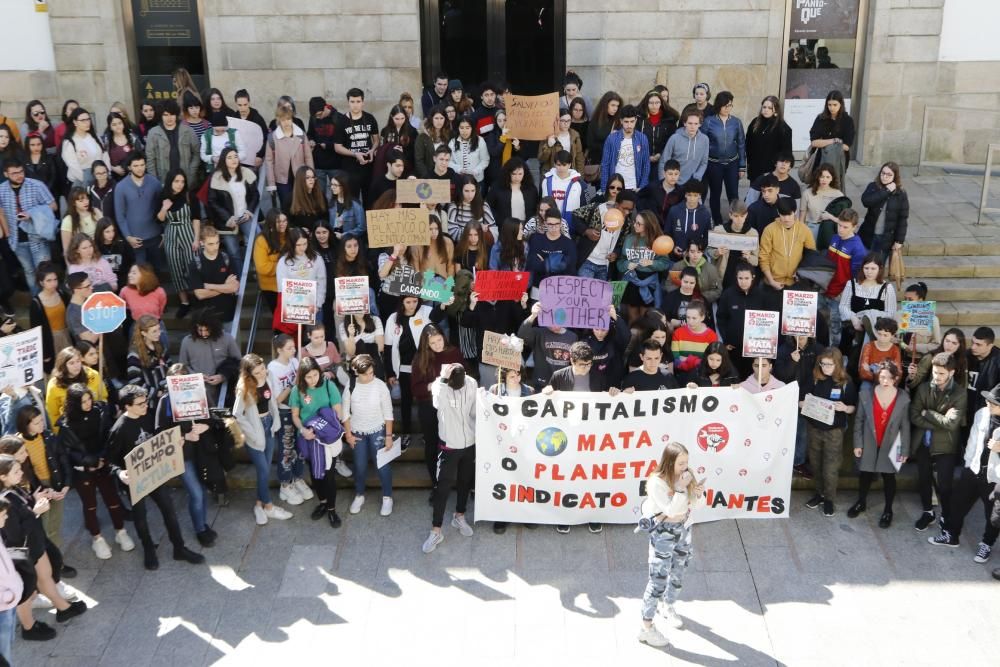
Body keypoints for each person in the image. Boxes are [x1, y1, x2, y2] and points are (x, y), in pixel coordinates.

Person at [107, 385, 204, 570]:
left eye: (146, 402)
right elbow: (110, 461)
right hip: (135, 481)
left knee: (169, 510)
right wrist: (120, 473)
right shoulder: (119, 430)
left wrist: (180, 438)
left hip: (155, 475)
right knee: (141, 517)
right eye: (140, 404)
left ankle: (179, 548)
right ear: (127, 406)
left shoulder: (149, 417)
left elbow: (162, 437)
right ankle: (149, 549)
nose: (145, 406)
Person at [637, 441, 705, 647]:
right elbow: (671, 510)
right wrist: (680, 489)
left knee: (680, 570)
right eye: (680, 463)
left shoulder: (686, 476)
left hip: (683, 530)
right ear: (669, 462)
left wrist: (698, 494)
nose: (685, 468)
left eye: (686, 463)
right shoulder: (657, 482)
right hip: (664, 534)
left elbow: (697, 505)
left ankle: (669, 605)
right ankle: (646, 628)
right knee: (657, 579)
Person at [55, 384, 132, 560]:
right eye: (83, 401)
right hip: (83, 470)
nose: (88, 403)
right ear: (74, 403)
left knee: (112, 499)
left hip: (103, 464)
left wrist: (103, 458)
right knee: (90, 506)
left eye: (89, 399)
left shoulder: (100, 412)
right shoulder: (66, 424)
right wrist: (88, 462)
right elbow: (66, 452)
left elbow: (109, 435)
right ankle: (97, 538)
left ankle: (121, 531)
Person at [929, 383, 1000, 562]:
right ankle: (951, 535)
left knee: (993, 515)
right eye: (988, 400)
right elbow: (972, 441)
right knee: (957, 503)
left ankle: (986, 544)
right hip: (973, 469)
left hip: (995, 478)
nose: (988, 404)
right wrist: (968, 464)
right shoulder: (981, 414)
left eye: (993, 403)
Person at [232, 354, 293, 526]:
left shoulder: (268, 376)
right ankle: (269, 506)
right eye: (257, 372)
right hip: (255, 429)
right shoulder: (243, 387)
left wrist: (275, 420)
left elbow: (271, 399)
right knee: (264, 470)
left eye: (262, 369)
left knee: (263, 471)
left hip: (269, 425)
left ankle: (259, 504)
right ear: (248, 373)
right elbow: (237, 414)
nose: (262, 373)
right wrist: (251, 432)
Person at [422, 363, 477, 553]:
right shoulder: (440, 385)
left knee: (464, 482)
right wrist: (444, 382)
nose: (459, 388)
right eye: (455, 385)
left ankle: (459, 516)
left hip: (469, 443)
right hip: (448, 446)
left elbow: (474, 412)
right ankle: (436, 530)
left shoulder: (471, 383)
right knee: (442, 487)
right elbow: (438, 404)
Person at [848, 361, 910, 527]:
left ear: (896, 378)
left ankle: (888, 509)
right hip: (869, 441)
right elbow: (859, 420)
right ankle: (861, 502)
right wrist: (858, 443)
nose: (885, 381)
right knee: (865, 474)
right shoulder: (867, 395)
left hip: (890, 444)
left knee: (889, 477)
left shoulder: (903, 398)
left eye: (889, 378)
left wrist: (904, 450)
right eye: (882, 377)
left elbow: (905, 426)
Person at [910, 353, 967, 531]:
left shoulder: (959, 393)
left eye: (941, 373)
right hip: (923, 443)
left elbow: (951, 424)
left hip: (946, 446)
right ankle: (928, 512)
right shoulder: (924, 388)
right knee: (924, 480)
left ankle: (946, 515)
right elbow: (914, 415)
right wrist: (938, 420)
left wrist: (928, 413)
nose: (937, 377)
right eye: (935, 372)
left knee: (945, 485)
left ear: (951, 373)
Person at [289, 356, 346, 529]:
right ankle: (322, 502)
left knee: (328, 475)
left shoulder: (329, 386)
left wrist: (320, 428)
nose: (313, 379)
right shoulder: (297, 390)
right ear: (302, 377)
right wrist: (303, 430)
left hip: (326, 438)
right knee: (315, 473)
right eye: (308, 377)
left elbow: (338, 413)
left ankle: (331, 509)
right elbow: (295, 415)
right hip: (308, 438)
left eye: (315, 375)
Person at [800, 348, 857, 517]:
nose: (825, 367)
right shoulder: (815, 378)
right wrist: (803, 403)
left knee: (830, 467)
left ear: (837, 364)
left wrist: (845, 408)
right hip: (814, 428)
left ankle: (829, 499)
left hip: (834, 431)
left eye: (829, 364)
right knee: (816, 464)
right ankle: (820, 494)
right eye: (822, 364)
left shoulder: (845, 382)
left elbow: (853, 407)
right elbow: (800, 399)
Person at [343, 355, 395, 517]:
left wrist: (388, 436)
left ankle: (387, 497)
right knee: (359, 465)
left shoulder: (380, 386)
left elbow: (388, 413)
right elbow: (345, 413)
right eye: (366, 374)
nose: (370, 376)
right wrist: (348, 435)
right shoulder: (350, 385)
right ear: (356, 372)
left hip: (378, 430)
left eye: (372, 372)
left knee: (383, 465)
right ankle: (359, 494)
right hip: (357, 432)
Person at [411, 325, 463, 490]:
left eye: (439, 340)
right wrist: (432, 385)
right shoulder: (420, 359)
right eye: (432, 343)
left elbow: (466, 375)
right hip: (428, 406)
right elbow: (415, 389)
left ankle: (453, 480)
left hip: (452, 405)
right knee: (432, 444)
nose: (437, 345)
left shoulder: (453, 352)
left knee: (452, 443)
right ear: (426, 344)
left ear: (444, 337)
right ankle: (436, 484)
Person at [1, 157, 57, 295]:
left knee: (44, 271)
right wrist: (7, 235)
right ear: (5, 174)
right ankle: (36, 301)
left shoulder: (36, 185)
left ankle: (50, 301)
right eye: (14, 173)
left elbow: (53, 205)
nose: (19, 175)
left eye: (21, 171)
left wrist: (32, 213)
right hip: (16, 240)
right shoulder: (1, 190)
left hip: (38, 236)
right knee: (29, 271)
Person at [267, 334, 312, 506]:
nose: (294, 350)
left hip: (299, 410)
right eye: (289, 348)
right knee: (286, 447)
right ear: (279, 350)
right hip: (284, 412)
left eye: (294, 347)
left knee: (299, 446)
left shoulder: (295, 362)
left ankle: (297, 477)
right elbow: (277, 399)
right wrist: (292, 384)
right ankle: (285, 483)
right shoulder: (272, 368)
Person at [757, 197, 815, 312]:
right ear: (778, 213)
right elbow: (764, 257)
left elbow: (811, 255)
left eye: (789, 214)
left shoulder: (804, 230)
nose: (786, 218)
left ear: (795, 212)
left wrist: (800, 272)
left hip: (795, 284)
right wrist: (771, 281)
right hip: (772, 283)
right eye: (783, 215)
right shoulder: (769, 229)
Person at [207, 146, 259, 267]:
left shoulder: (246, 173)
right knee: (234, 252)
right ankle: (240, 279)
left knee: (257, 239)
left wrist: (249, 211)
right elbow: (212, 202)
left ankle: (252, 267)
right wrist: (228, 218)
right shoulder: (216, 177)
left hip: (245, 216)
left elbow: (255, 194)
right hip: (227, 221)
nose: (234, 159)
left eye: (235, 156)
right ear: (223, 160)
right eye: (229, 157)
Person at [158, 168, 201, 313]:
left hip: (188, 233)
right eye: (176, 181)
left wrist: (196, 238)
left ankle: (197, 297)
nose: (180, 184)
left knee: (193, 266)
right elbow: (159, 219)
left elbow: (196, 218)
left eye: (182, 181)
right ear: (170, 182)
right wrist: (164, 208)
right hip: (170, 235)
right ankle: (184, 302)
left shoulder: (190, 196)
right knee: (175, 268)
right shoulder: (163, 196)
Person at [113, 150, 165, 270]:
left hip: (155, 237)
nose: (140, 168)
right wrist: (128, 236)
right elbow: (120, 215)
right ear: (129, 167)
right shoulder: (121, 187)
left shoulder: (154, 183)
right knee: (141, 273)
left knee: (158, 271)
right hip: (135, 240)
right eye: (136, 166)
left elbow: (163, 208)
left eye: (142, 165)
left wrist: (164, 232)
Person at [700, 91, 745, 226]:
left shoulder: (736, 122)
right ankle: (718, 221)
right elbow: (702, 142)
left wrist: (742, 166)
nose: (728, 108)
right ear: (719, 105)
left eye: (730, 105)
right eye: (725, 105)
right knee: (715, 194)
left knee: (733, 194)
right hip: (714, 164)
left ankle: (734, 221)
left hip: (732, 163)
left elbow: (741, 144)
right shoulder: (709, 121)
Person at [178, 309, 240, 406]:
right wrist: (196, 376)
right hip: (197, 393)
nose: (203, 333)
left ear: (214, 327)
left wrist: (223, 376)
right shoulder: (187, 341)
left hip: (225, 390)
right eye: (200, 330)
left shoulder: (227, 338)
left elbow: (238, 361)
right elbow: (182, 366)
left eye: (207, 330)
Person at [823, 209, 866, 347]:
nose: (841, 229)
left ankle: (834, 354)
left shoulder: (858, 249)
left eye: (845, 227)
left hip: (839, 294)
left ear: (854, 227)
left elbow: (857, 277)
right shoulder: (835, 238)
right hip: (825, 288)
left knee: (835, 327)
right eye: (839, 225)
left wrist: (844, 294)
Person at [618, 210, 669, 320]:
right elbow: (620, 262)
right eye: (635, 222)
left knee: (646, 317)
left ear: (648, 225)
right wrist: (627, 264)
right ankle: (632, 336)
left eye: (639, 223)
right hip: (632, 280)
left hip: (649, 281)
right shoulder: (630, 238)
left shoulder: (657, 241)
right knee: (632, 317)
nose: (635, 225)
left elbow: (665, 263)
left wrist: (652, 263)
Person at [45, 346, 108, 432]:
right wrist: (59, 432)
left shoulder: (92, 375)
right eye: (71, 363)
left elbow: (103, 397)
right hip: (72, 429)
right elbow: (52, 413)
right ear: (63, 365)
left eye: (78, 361)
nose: (76, 366)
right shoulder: (54, 385)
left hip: (95, 423)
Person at [266, 101, 314, 212]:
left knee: (303, 204)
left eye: (288, 119)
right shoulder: (272, 138)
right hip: (282, 178)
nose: (286, 122)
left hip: (300, 176)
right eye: (283, 120)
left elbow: (308, 157)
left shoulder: (301, 134)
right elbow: (269, 162)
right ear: (278, 120)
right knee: (286, 205)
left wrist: (311, 176)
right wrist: (271, 183)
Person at [144, 99, 201, 190]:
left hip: (186, 178)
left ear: (176, 115)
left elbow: (197, 153)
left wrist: (191, 171)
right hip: (163, 180)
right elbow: (150, 159)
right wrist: (154, 180)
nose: (169, 118)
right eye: (165, 115)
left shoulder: (188, 131)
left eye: (172, 114)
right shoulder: (153, 133)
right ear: (160, 116)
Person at [188, 226, 239, 324]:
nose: (215, 247)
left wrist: (210, 286)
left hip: (228, 313)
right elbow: (200, 295)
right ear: (202, 243)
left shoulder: (226, 258)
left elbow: (234, 287)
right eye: (211, 244)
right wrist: (225, 287)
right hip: (207, 317)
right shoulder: (195, 264)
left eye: (217, 242)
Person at [276, 227, 327, 322]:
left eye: (305, 244)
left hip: (314, 307)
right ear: (291, 244)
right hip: (294, 308)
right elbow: (282, 288)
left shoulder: (316, 258)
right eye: (298, 245)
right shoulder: (283, 262)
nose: (302, 248)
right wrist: (294, 306)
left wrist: (318, 304)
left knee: (315, 336)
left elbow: (322, 282)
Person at [30, 262, 72, 375]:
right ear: (41, 282)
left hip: (67, 336)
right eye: (49, 280)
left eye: (55, 279)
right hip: (51, 341)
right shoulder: (36, 303)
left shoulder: (62, 294)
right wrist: (44, 353)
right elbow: (36, 331)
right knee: (57, 372)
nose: (53, 283)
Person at [860, 161, 909, 257]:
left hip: (885, 239)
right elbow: (866, 202)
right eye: (883, 173)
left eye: (889, 175)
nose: (885, 177)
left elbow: (902, 219)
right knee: (863, 264)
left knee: (879, 266)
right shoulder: (873, 186)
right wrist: (886, 191)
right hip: (868, 234)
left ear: (895, 177)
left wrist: (899, 240)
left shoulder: (901, 194)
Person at [807, 90, 854, 186]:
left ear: (841, 104)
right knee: (818, 186)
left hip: (839, 159)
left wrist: (824, 142)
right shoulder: (821, 118)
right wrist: (833, 141)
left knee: (835, 185)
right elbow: (814, 142)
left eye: (835, 105)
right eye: (829, 105)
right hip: (820, 158)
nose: (832, 108)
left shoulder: (847, 121)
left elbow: (846, 146)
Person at [600, 104, 650, 193]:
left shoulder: (642, 138)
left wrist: (642, 187)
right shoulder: (611, 138)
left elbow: (646, 164)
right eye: (626, 122)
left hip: (634, 187)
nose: (629, 125)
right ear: (621, 121)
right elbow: (605, 164)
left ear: (636, 120)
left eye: (632, 121)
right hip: (615, 187)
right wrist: (604, 189)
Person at [711, 201, 758, 289]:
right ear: (730, 215)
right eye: (736, 216)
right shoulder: (719, 230)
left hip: (743, 276)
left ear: (746, 215)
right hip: (724, 274)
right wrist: (717, 252)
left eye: (742, 216)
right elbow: (709, 253)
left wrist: (749, 257)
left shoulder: (752, 233)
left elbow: (756, 261)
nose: (739, 219)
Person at [526, 208, 577, 289]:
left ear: (561, 223)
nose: (554, 228)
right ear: (545, 223)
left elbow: (570, 270)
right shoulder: (536, 239)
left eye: (556, 224)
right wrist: (558, 263)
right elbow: (532, 264)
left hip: (560, 289)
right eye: (550, 224)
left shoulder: (569, 243)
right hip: (538, 287)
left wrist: (543, 262)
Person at [745, 96, 793, 181]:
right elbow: (748, 145)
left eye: (770, 108)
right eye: (764, 107)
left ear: (776, 110)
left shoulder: (783, 128)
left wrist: (782, 170)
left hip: (773, 171)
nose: (766, 110)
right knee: (754, 193)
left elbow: (786, 153)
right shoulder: (755, 123)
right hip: (755, 169)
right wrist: (749, 163)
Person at [670, 300, 718, 382]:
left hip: (703, 378)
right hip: (681, 377)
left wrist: (687, 360)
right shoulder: (678, 333)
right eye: (688, 317)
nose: (690, 322)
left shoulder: (711, 335)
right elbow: (675, 361)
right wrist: (698, 361)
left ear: (702, 317)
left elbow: (711, 363)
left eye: (694, 318)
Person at [664, 180, 711, 264]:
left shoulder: (705, 214)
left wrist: (695, 252)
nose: (692, 198)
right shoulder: (674, 210)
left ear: (700, 196)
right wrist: (673, 247)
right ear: (685, 195)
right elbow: (667, 233)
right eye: (689, 195)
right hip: (674, 257)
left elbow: (707, 238)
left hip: (694, 259)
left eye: (695, 195)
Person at [660, 110, 708, 185]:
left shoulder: (704, 139)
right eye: (690, 123)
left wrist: (697, 177)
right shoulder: (674, 138)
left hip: (692, 183)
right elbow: (664, 160)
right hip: (673, 182)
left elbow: (704, 162)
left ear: (700, 124)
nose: (693, 126)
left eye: (696, 124)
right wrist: (663, 181)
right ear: (685, 123)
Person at [799, 163, 844, 244]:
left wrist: (830, 217)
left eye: (828, 177)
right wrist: (801, 232)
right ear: (817, 177)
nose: (824, 180)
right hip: (811, 228)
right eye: (822, 176)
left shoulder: (839, 195)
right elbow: (802, 216)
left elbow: (844, 221)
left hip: (830, 230)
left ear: (832, 178)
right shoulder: (807, 193)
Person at [60, 107, 103, 188]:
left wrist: (104, 174)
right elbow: (73, 166)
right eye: (83, 120)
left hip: (101, 177)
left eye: (88, 119)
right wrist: (88, 180)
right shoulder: (69, 142)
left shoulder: (95, 137)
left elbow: (104, 154)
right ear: (75, 122)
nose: (87, 122)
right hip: (81, 182)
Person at [447, 175, 496, 241]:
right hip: (462, 246)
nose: (470, 195)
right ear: (460, 190)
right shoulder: (454, 206)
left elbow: (493, 229)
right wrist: (477, 230)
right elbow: (452, 233)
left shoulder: (483, 205)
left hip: (480, 246)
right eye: (466, 191)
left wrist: (485, 230)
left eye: (473, 190)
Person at [541, 150, 584, 225]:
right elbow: (540, 202)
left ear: (569, 165)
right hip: (549, 224)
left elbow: (584, 205)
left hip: (571, 225)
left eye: (564, 165)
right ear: (554, 164)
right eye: (559, 165)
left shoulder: (578, 182)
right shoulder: (546, 180)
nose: (561, 168)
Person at [858, 317, 903, 386]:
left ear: (892, 336)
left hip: (887, 382)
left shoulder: (895, 350)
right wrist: (886, 376)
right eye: (879, 334)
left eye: (885, 335)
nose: (881, 338)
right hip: (870, 382)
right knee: (865, 387)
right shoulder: (869, 346)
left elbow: (898, 374)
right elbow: (863, 372)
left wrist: (872, 372)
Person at [539, 108, 584, 174]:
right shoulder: (549, 135)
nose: (566, 123)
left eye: (568, 120)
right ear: (557, 121)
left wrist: (580, 175)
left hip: (569, 172)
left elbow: (579, 157)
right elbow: (541, 159)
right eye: (562, 120)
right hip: (552, 173)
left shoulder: (575, 135)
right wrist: (548, 146)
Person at [60, 186, 103, 253]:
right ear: (74, 203)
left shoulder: (95, 212)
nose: (86, 202)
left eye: (87, 199)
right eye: (81, 201)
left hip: (99, 252)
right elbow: (66, 249)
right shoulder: (68, 220)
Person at [414, 106, 450, 178]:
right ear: (431, 119)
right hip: (428, 176)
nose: (439, 121)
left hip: (445, 175)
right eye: (436, 118)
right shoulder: (423, 137)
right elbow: (419, 161)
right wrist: (427, 176)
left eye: (441, 118)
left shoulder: (449, 135)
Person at [328, 170, 366, 239]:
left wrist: (344, 235)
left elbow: (361, 228)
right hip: (334, 241)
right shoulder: (331, 203)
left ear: (344, 186)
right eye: (331, 184)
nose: (332, 187)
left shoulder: (356, 205)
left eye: (335, 185)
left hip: (349, 241)